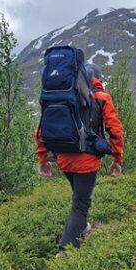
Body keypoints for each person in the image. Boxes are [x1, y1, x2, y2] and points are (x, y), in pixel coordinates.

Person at [34, 63, 124, 253]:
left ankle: (81, 227)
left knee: (79, 197)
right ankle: (65, 251)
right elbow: (115, 130)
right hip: (87, 160)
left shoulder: (62, 97)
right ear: (97, 79)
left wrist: (43, 158)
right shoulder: (101, 97)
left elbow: (41, 129)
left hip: (63, 159)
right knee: (80, 206)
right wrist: (117, 159)